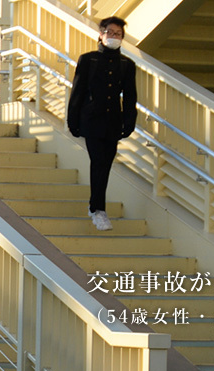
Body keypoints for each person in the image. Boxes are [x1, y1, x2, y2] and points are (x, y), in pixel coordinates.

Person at [67, 15, 137, 232]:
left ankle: (94, 206)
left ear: (122, 37)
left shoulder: (127, 64)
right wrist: (73, 121)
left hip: (113, 122)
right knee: (98, 162)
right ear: (101, 34)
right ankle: (99, 211)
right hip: (91, 120)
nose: (113, 37)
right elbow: (77, 91)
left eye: (117, 34)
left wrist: (129, 121)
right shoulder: (88, 60)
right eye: (109, 32)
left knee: (105, 164)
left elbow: (130, 96)